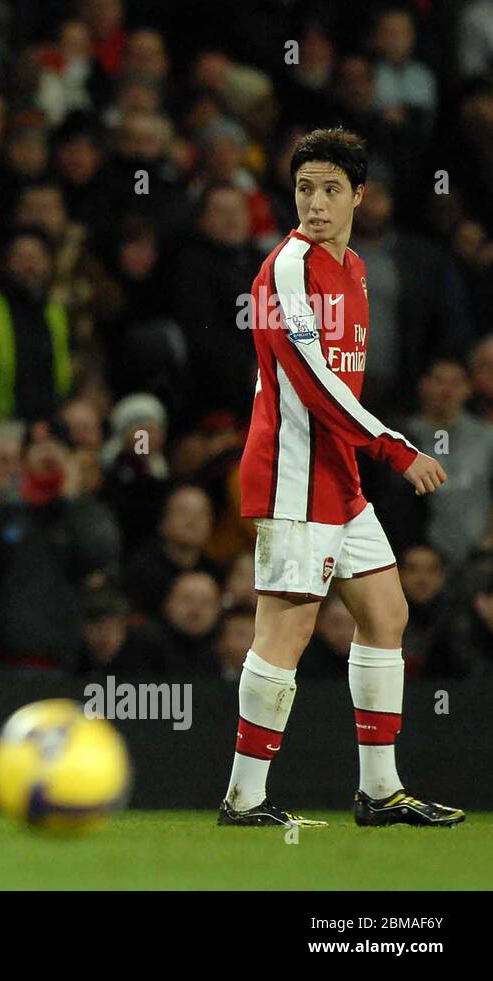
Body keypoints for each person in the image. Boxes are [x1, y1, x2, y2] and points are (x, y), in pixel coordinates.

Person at [221, 127, 463, 828]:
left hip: (337, 476)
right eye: (305, 189)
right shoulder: (285, 269)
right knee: (287, 631)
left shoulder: (353, 268)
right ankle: (245, 798)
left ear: (359, 195)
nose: (316, 204)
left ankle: (380, 791)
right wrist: (396, 448)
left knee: (387, 614)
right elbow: (312, 379)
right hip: (291, 475)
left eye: (331, 189)